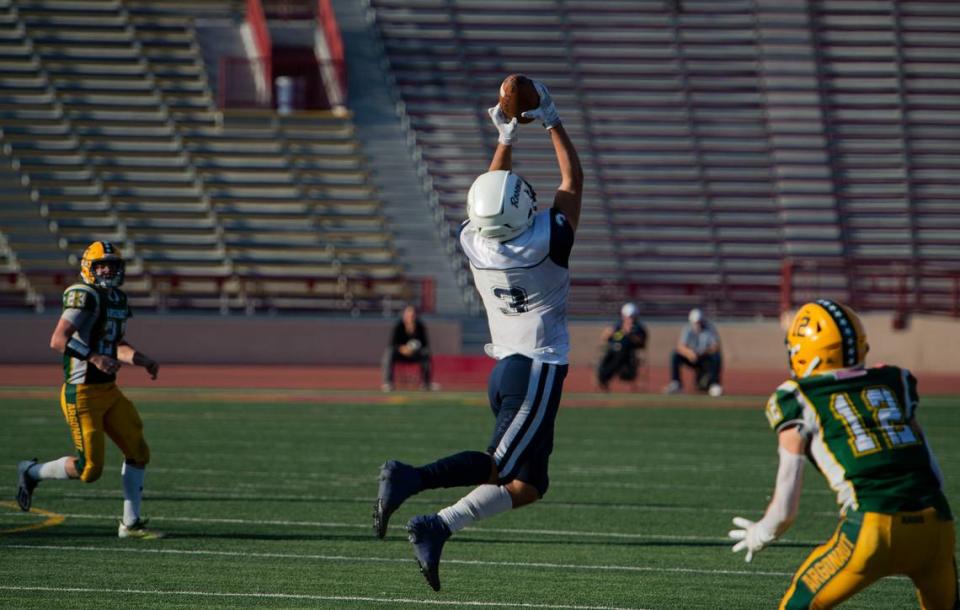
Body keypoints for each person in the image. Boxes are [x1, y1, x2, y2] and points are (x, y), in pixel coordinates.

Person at [372, 78, 582, 591]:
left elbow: (490, 198)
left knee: (529, 484)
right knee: (498, 464)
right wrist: (551, 118)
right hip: (535, 368)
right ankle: (411, 480)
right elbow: (572, 181)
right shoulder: (547, 243)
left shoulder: (473, 240)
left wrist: (506, 137)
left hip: (505, 370)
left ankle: (438, 527)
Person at [728, 299, 956, 609]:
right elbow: (934, 473)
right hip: (937, 525)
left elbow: (785, 511)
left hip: (872, 528)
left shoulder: (798, 397)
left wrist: (760, 533)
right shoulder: (893, 381)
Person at [15, 241, 163, 539]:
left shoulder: (118, 298)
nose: (107, 270)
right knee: (89, 470)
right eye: (101, 265)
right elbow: (58, 340)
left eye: (112, 265)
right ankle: (31, 471)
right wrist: (94, 357)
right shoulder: (83, 294)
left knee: (138, 451)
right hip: (81, 392)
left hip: (108, 390)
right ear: (89, 267)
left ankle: (130, 524)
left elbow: (116, 344)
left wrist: (141, 359)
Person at [665, 307, 722, 396]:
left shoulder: (709, 329)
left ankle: (714, 384)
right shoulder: (687, 329)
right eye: (695, 323)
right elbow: (680, 346)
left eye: (699, 322)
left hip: (704, 358)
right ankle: (676, 383)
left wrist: (704, 353)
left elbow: (716, 346)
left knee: (716, 357)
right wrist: (689, 353)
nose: (697, 325)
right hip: (691, 357)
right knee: (675, 355)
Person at [381, 304, 434, 392]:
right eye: (409, 314)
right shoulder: (398, 326)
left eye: (413, 315)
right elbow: (393, 344)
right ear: (404, 315)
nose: (411, 317)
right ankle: (388, 383)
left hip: (415, 354)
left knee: (426, 353)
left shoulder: (420, 327)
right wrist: (403, 349)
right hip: (401, 354)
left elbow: (425, 344)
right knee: (389, 353)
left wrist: (414, 349)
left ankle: (426, 383)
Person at [596, 302, 647, 391]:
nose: (629, 319)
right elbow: (607, 337)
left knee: (619, 357)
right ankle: (602, 378)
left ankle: (604, 377)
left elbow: (641, 343)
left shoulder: (638, 328)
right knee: (606, 358)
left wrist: (630, 334)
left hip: (627, 353)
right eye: (627, 316)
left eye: (631, 317)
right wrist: (612, 332)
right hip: (612, 350)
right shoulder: (617, 326)